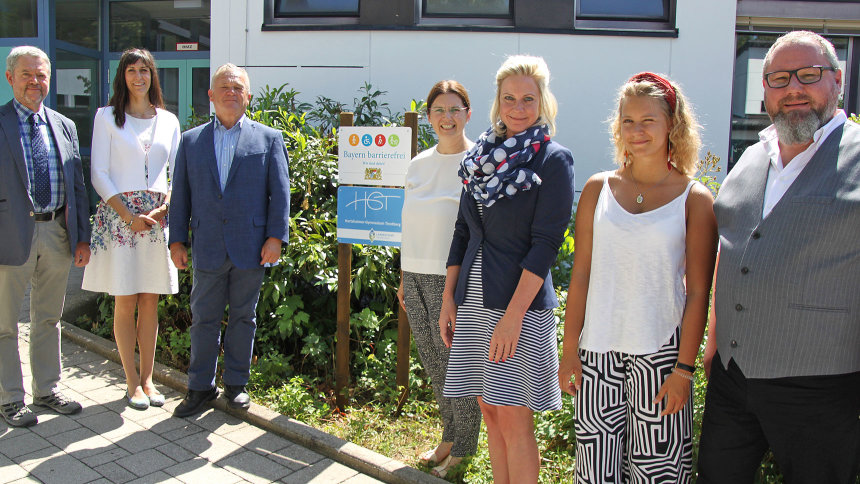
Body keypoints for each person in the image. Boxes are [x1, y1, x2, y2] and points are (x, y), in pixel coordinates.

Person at [698, 30, 860, 484]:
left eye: (809, 75)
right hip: (732, 376)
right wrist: (714, 338)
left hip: (821, 383)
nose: (793, 88)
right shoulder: (752, 157)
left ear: (837, 80)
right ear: (764, 88)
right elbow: (730, 251)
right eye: (779, 78)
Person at [558, 72, 717, 482]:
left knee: (657, 474)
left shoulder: (695, 199)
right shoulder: (597, 189)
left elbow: (699, 292)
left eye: (648, 120)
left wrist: (684, 370)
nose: (637, 130)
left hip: (661, 357)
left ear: (672, 126)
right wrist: (570, 347)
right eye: (628, 120)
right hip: (597, 354)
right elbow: (581, 275)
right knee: (595, 473)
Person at [439, 55, 575, 484]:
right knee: (491, 412)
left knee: (515, 419)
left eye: (528, 99)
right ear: (498, 102)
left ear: (543, 101)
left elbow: (546, 245)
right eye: (510, 98)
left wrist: (514, 317)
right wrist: (448, 297)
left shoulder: (553, 160)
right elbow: (463, 230)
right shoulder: (480, 156)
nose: (519, 107)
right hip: (474, 303)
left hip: (517, 306)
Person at [168, 63, 290, 418]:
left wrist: (275, 238)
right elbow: (181, 197)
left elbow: (280, 194)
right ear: (210, 95)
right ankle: (200, 387)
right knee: (203, 318)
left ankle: (236, 385)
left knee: (243, 318)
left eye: (238, 88)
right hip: (206, 244)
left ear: (248, 97)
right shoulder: (191, 141)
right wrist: (177, 241)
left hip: (251, 247)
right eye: (224, 86)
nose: (231, 92)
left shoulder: (268, 139)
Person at [82, 48, 180, 410]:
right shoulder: (107, 117)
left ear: (153, 75)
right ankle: (130, 382)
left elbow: (176, 172)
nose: (139, 77)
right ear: (122, 76)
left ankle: (150, 379)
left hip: (157, 219)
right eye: (131, 70)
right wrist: (128, 215)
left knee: (150, 300)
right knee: (125, 299)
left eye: (145, 70)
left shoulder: (168, 120)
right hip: (121, 218)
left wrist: (166, 206)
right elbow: (98, 173)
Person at [0, 46, 91, 427]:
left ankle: (46, 390)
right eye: (27, 74)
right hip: (10, 233)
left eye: (41, 75)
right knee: (4, 322)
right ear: (10, 78)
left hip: (56, 231)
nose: (35, 82)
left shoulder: (64, 125)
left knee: (49, 317)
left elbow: (78, 185)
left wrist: (82, 237)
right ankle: (9, 398)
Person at [397, 80, 482, 477]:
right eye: (438, 111)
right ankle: (449, 436)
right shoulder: (417, 163)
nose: (446, 118)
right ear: (428, 116)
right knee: (433, 362)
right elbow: (407, 222)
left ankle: (464, 447)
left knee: (457, 364)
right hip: (414, 275)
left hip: (454, 281)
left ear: (468, 113)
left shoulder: (478, 163)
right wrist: (402, 276)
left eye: (454, 110)